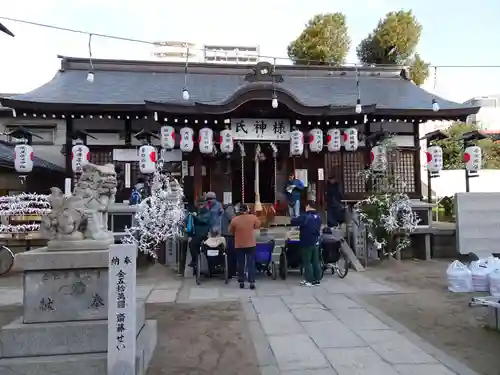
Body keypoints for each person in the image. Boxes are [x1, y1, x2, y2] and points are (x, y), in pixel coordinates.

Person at [229, 204, 261, 290]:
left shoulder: (235, 220)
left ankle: (241, 281)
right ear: (247, 210)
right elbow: (258, 225)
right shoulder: (253, 217)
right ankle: (252, 282)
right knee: (251, 263)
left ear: (239, 211)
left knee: (240, 263)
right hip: (251, 243)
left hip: (239, 244)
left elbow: (230, 231)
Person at [291, 201, 322, 287]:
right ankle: (317, 280)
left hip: (306, 241)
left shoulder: (305, 216)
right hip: (315, 241)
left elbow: (293, 221)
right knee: (315, 261)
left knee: (307, 261)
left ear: (308, 206)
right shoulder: (318, 217)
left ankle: (310, 280)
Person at [188, 198, 211, 268]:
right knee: (193, 245)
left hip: (202, 233)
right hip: (198, 233)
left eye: (201, 204)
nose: (200, 206)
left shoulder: (207, 212)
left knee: (193, 244)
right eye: (199, 204)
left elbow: (203, 220)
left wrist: (195, 216)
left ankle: (195, 261)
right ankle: (196, 263)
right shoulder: (199, 211)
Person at [221, 203, 237, 278]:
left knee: (229, 254)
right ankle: (231, 272)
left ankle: (229, 271)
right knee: (231, 254)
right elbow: (233, 218)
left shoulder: (226, 211)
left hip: (226, 235)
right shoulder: (229, 209)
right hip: (229, 236)